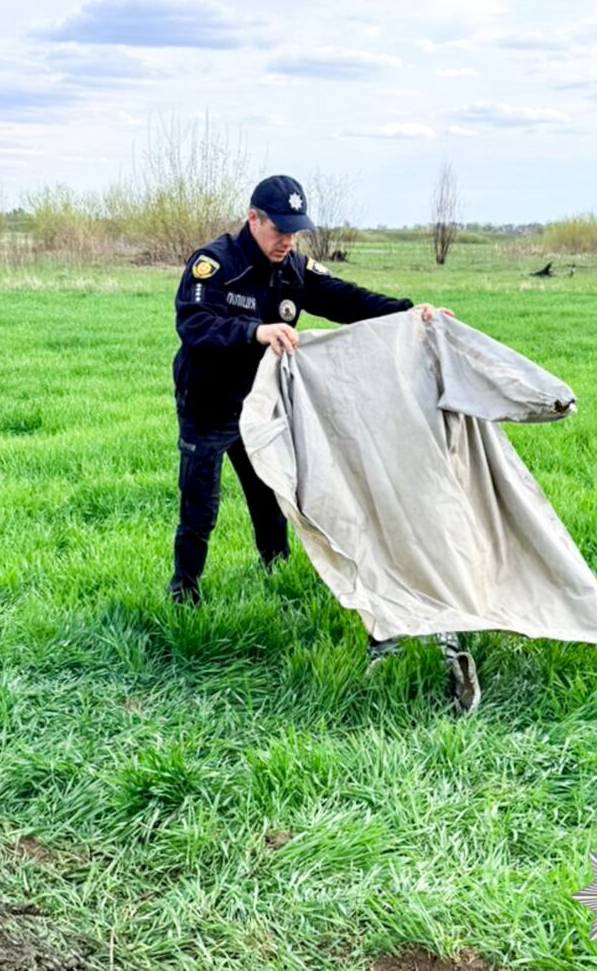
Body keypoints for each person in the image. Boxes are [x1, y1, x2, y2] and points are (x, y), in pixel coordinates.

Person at [167, 174, 479, 708]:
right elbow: (194, 323)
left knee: (273, 489)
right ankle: (183, 594)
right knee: (202, 503)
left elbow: (345, 298)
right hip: (210, 400)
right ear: (253, 219)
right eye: (278, 229)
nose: (288, 240)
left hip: (265, 405)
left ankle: (276, 569)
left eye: (296, 230)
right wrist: (254, 332)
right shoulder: (215, 264)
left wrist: (410, 312)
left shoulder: (294, 268)